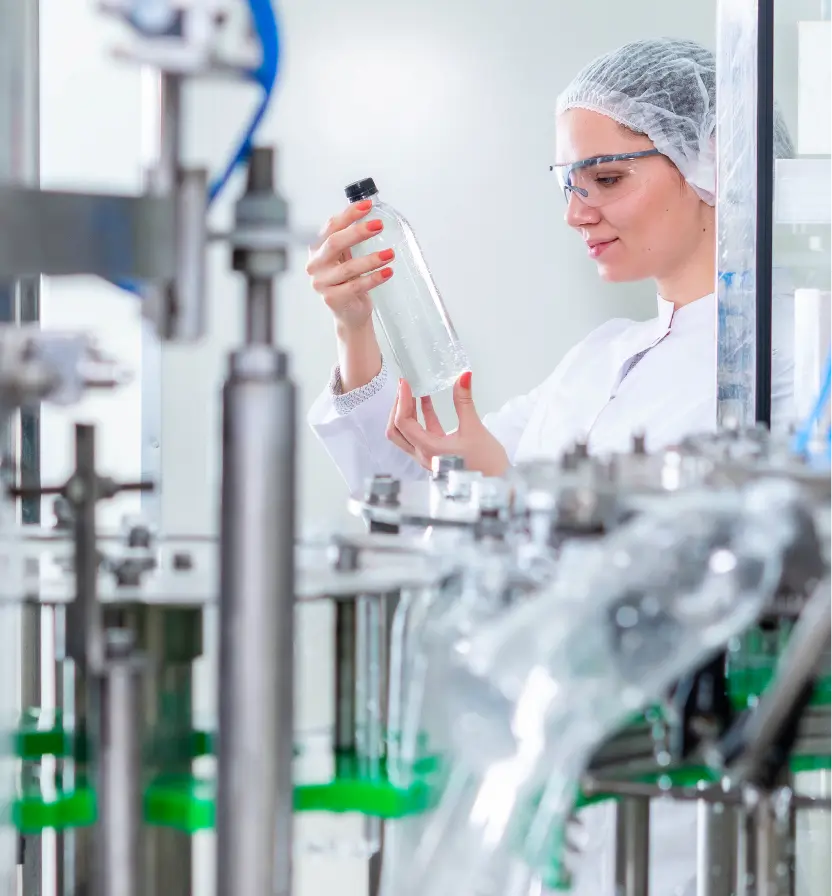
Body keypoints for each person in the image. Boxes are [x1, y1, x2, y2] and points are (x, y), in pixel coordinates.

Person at [306, 36, 794, 896]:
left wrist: (504, 481)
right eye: (567, 182)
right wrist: (356, 329)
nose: (576, 211)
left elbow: (694, 580)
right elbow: (421, 495)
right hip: (553, 797)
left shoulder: (776, 364)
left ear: (715, 163)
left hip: (683, 815)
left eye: (605, 178)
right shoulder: (601, 360)